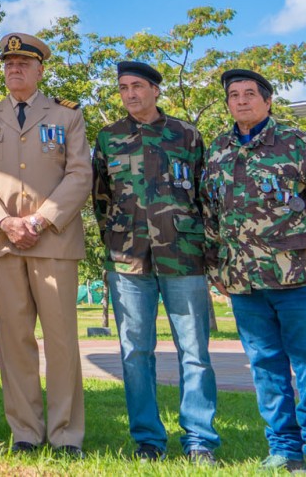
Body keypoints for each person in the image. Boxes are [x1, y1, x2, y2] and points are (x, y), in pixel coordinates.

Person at [201, 68, 306, 474]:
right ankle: (284, 449)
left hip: (299, 278)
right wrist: (215, 267)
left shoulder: (297, 144)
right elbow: (210, 215)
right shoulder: (218, 151)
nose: (241, 101)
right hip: (245, 283)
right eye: (234, 95)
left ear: (268, 101)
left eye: (250, 93)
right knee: (265, 367)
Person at [0, 32, 91, 457]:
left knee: (61, 342)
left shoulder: (67, 116)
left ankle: (65, 434)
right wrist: (4, 222)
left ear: (40, 70)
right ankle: (24, 431)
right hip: (4, 245)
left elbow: (80, 175)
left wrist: (38, 219)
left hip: (52, 241)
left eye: (22, 64)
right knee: (13, 342)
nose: (13, 69)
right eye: (7, 63)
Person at [92, 61, 218, 463]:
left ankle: (200, 440)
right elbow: (100, 198)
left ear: (155, 91)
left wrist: (210, 251)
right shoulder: (108, 138)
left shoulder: (187, 135)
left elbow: (206, 196)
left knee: (194, 350)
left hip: (184, 258)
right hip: (128, 259)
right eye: (124, 88)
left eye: (138, 87)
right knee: (134, 352)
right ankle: (148, 439)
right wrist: (114, 241)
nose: (130, 94)